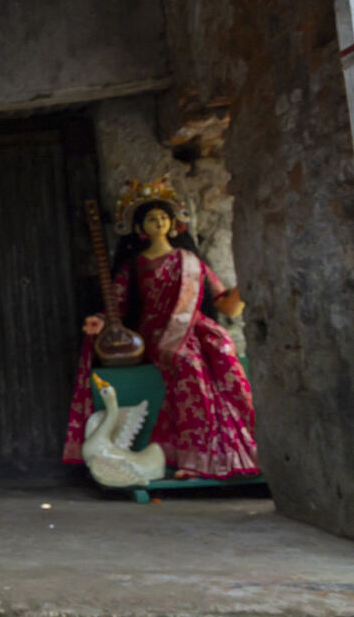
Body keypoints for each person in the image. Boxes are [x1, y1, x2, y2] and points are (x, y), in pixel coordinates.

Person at [62, 177, 259, 480]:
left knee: (224, 353)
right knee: (188, 363)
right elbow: (118, 303)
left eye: (164, 217)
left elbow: (226, 304)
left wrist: (249, 281)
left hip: (196, 327)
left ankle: (242, 446)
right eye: (152, 218)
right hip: (158, 331)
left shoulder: (192, 261)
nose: (159, 222)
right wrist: (100, 319)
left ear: (173, 222)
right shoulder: (135, 265)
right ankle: (194, 456)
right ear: (140, 227)